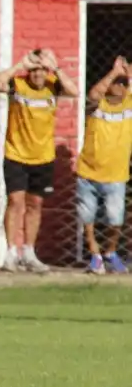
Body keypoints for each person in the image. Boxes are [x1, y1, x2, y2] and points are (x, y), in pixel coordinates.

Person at [0, 48, 79, 272]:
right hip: (16, 155)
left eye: (42, 70)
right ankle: (11, 253)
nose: (38, 75)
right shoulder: (18, 85)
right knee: (15, 201)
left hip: (43, 157)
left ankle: (29, 252)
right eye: (34, 70)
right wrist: (20, 65)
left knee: (35, 204)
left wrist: (56, 68)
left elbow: (75, 91)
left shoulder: (53, 85)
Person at [75, 57, 132, 274]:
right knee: (86, 216)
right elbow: (93, 94)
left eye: (123, 84)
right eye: (115, 83)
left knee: (115, 218)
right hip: (88, 171)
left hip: (116, 174)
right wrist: (114, 72)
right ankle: (95, 255)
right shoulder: (97, 105)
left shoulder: (129, 105)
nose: (119, 87)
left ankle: (110, 251)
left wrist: (128, 75)